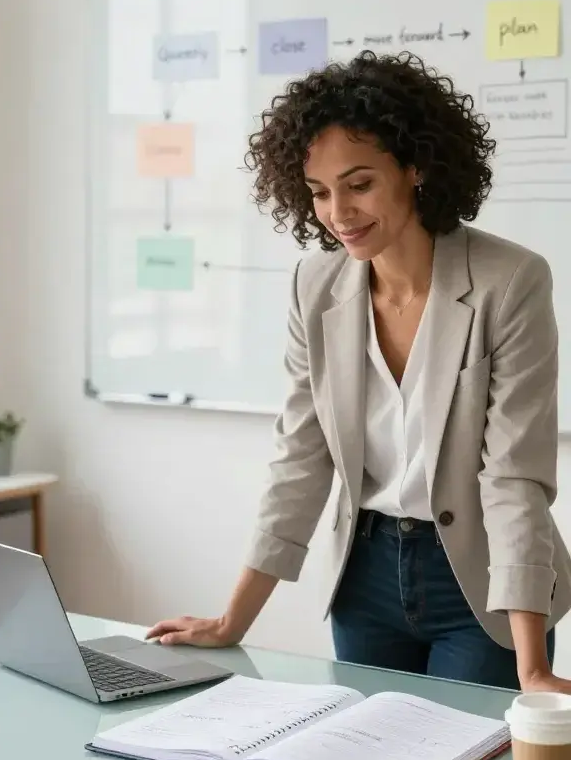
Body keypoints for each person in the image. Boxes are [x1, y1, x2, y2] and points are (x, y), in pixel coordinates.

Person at [148, 51, 571, 692]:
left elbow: (514, 475)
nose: (338, 211)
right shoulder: (314, 285)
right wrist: (234, 619)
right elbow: (301, 456)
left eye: (360, 183)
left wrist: (533, 665)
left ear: (415, 167)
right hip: (364, 577)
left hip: (482, 586)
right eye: (319, 192)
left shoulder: (509, 281)